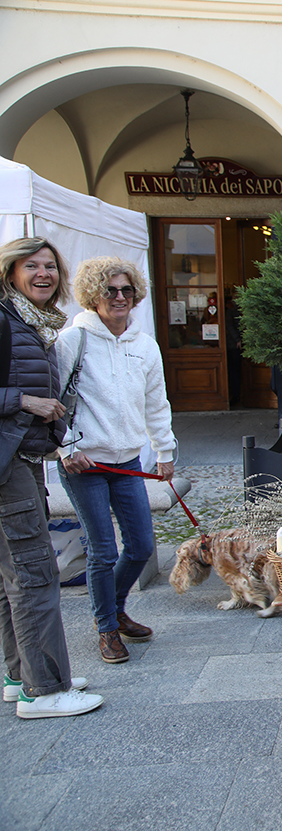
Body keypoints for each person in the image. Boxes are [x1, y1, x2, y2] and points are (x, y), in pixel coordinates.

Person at [57, 257, 176, 665]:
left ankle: (116, 607)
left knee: (142, 545)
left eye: (127, 290)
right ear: (93, 295)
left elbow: (155, 402)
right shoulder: (73, 340)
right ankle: (106, 627)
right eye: (111, 290)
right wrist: (67, 448)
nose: (121, 297)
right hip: (85, 464)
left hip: (126, 460)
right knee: (103, 550)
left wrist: (165, 451)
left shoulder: (144, 345)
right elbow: (56, 401)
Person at [0, 237, 100, 718]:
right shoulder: (5, 319)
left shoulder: (29, 324)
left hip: (22, 458)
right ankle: (46, 690)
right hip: (8, 465)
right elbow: (26, 397)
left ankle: (21, 675)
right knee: (34, 573)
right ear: (10, 272)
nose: (44, 274)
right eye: (31, 266)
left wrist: (59, 432)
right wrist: (25, 402)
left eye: (51, 267)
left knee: (10, 576)